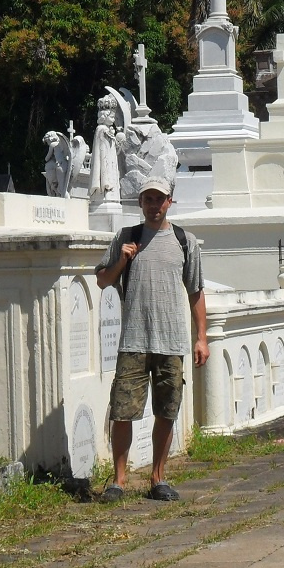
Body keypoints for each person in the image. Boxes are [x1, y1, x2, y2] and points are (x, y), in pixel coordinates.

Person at [95, 176, 208, 503]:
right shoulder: (126, 237)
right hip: (134, 340)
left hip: (171, 341)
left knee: (167, 411)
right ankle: (119, 480)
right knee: (122, 411)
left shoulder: (185, 241)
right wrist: (122, 259)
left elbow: (196, 291)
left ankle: (158, 477)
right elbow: (103, 279)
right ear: (141, 203)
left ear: (169, 201)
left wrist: (202, 337)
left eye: (159, 199)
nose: (154, 205)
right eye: (148, 199)